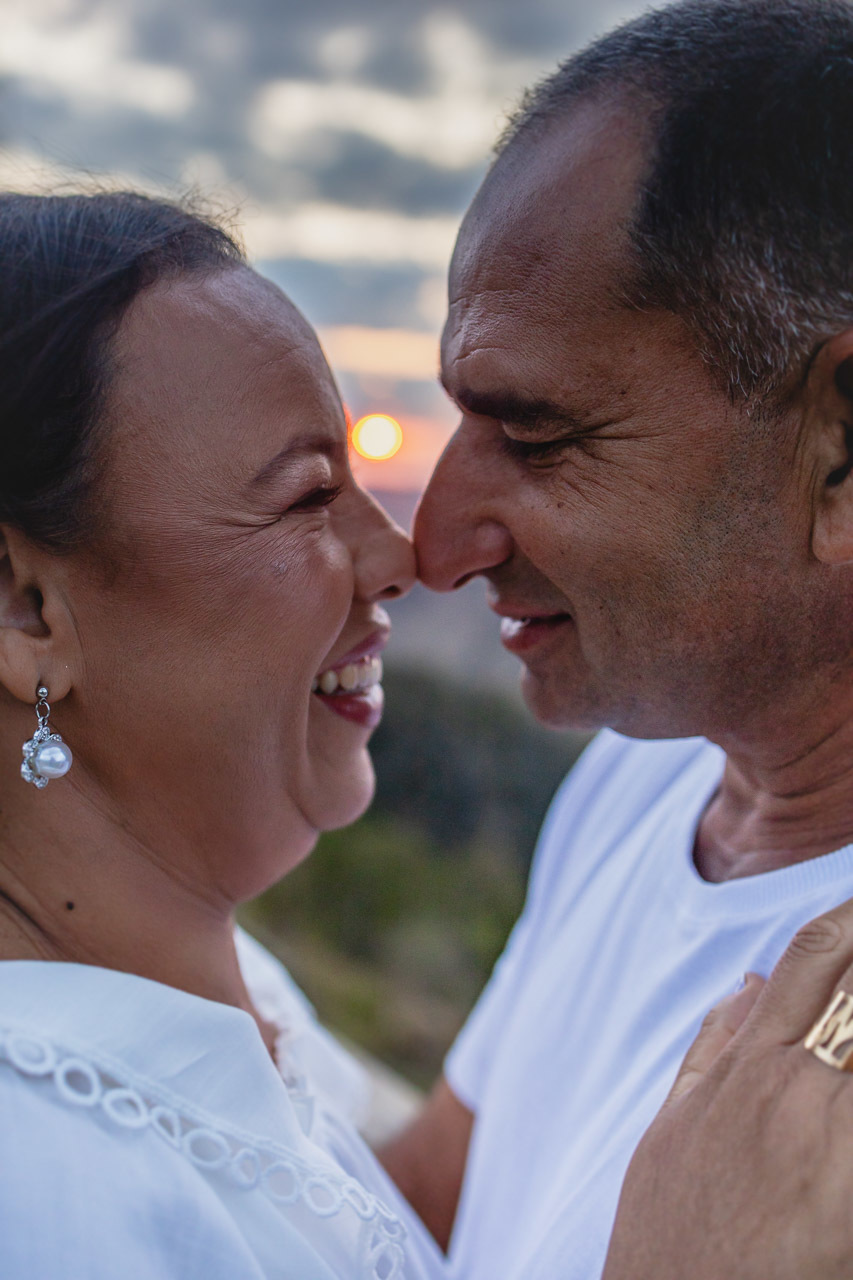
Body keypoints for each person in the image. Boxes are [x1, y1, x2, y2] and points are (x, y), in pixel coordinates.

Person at [379, 1, 853, 1277]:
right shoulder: (649, 771)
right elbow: (429, 1206)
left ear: (841, 452)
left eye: (536, 436)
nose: (435, 544)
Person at [0, 189, 448, 1280]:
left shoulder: (221, 983)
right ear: (27, 609)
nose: (399, 557)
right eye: (306, 498)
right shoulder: (41, 1186)